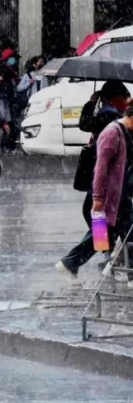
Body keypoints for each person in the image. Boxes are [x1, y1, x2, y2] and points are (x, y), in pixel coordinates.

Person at [57, 101, 133, 283]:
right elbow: (100, 168)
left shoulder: (128, 133)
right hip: (104, 196)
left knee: (109, 235)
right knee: (103, 236)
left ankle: (71, 263)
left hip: (119, 194)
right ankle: (69, 263)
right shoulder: (112, 133)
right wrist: (98, 198)